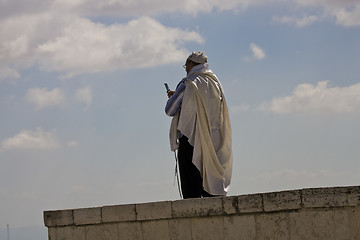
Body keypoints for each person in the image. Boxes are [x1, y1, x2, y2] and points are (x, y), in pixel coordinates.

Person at [165, 51, 233, 199]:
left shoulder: (187, 83)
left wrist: (174, 96)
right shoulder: (215, 82)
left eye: (186, 65)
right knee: (209, 178)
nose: (185, 68)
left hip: (191, 139)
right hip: (213, 139)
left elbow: (170, 110)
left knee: (191, 184)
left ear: (191, 64)